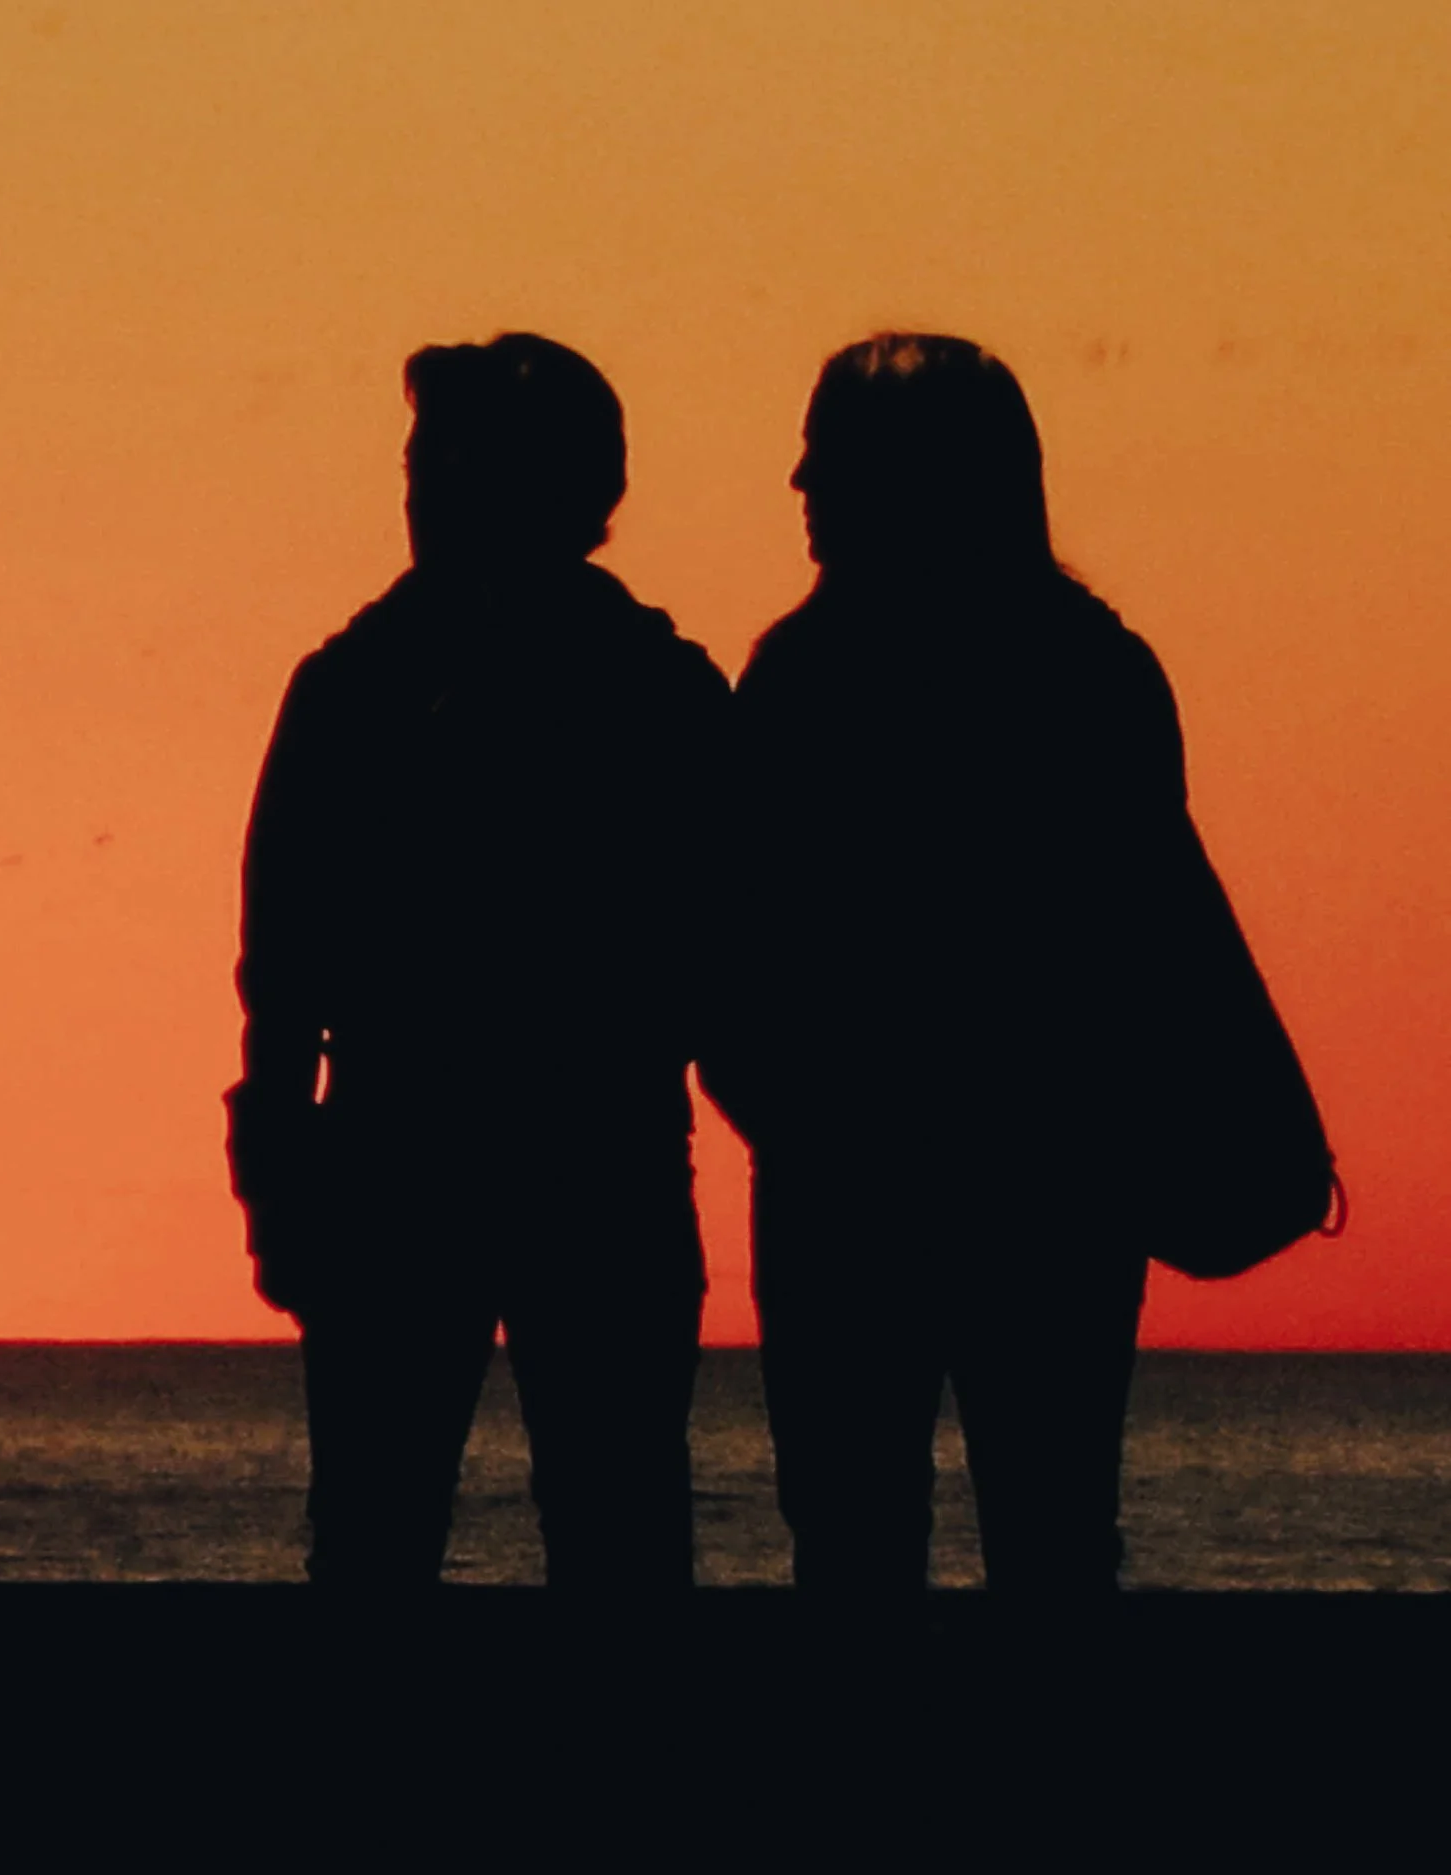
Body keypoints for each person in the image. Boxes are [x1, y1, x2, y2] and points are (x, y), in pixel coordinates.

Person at [225, 333, 732, 1589]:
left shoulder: (650, 693)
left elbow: (727, 942)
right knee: (407, 1537)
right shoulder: (364, 687)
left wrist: (282, 1165)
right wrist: (282, 1167)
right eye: (417, 458)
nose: (417, 489)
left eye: (445, 460)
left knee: (572, 1536)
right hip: (444, 1162)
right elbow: (281, 965)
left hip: (553, 1159)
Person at [704, 332, 1192, 1594]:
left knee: (857, 1537)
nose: (798, 489)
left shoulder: (803, 675)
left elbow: (735, 931)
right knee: (1053, 1528)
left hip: (858, 1180)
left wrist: (788, 1107)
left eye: (825, 464)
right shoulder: (1098, 670)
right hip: (1050, 1177)